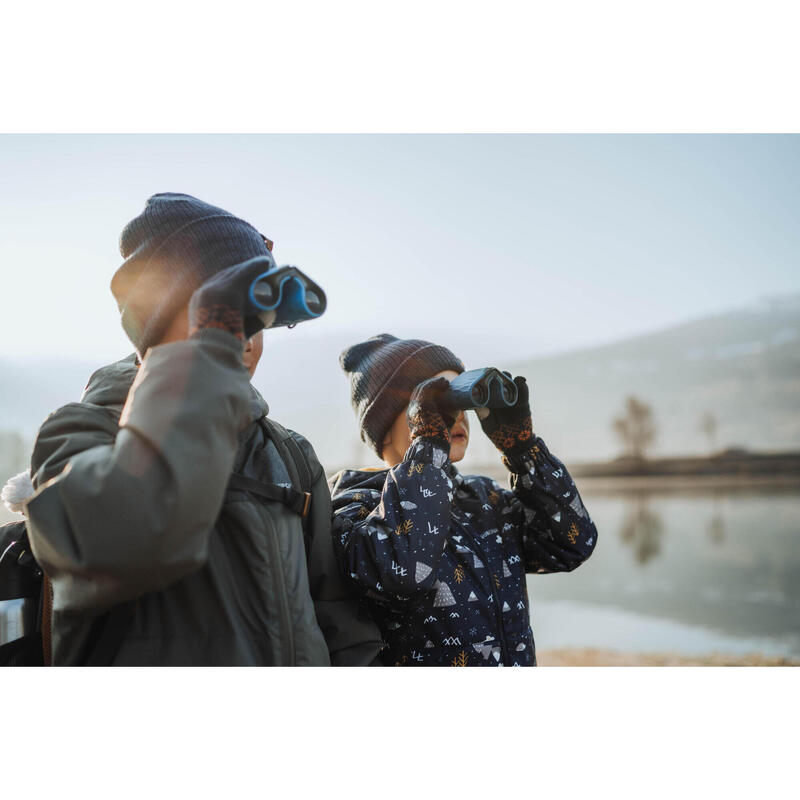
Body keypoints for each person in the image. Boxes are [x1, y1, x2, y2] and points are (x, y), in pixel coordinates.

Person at [22, 192, 382, 666]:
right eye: (227, 312)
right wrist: (200, 363)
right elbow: (126, 543)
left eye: (257, 320)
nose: (248, 337)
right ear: (161, 313)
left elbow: (336, 620)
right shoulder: (77, 433)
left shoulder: (290, 455)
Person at [329, 333, 597, 666]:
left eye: (460, 400)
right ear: (384, 422)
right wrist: (428, 445)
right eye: (436, 403)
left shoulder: (485, 499)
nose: (456, 416)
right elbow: (406, 573)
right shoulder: (356, 505)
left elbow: (571, 544)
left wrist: (524, 451)